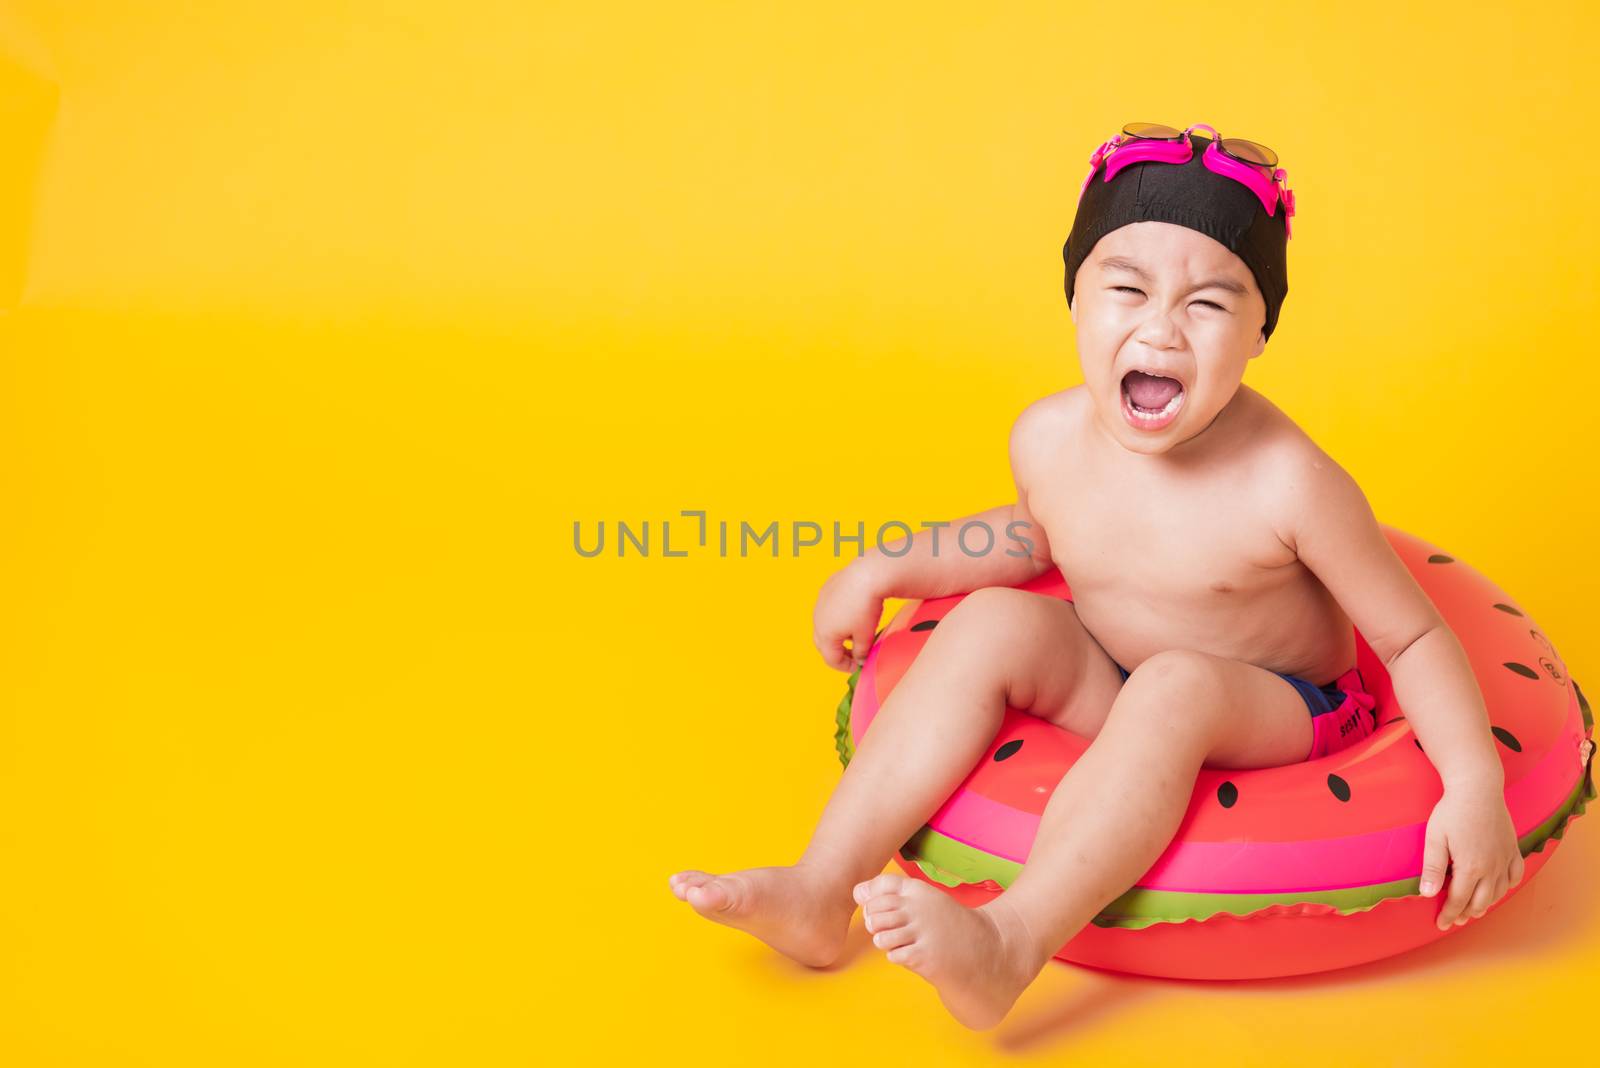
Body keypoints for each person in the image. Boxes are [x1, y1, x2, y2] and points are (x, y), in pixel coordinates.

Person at [667, 123, 1523, 1030]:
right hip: (1119, 672)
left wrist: (1474, 786)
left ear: (1261, 330)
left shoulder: (1290, 483)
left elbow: (1414, 636)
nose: (1159, 326)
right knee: (993, 621)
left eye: (1209, 304)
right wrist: (885, 563)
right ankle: (817, 887)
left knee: (1176, 685)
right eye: (1126, 289)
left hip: (1292, 707)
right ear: (1074, 297)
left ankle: (1009, 944)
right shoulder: (1046, 436)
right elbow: (1036, 538)